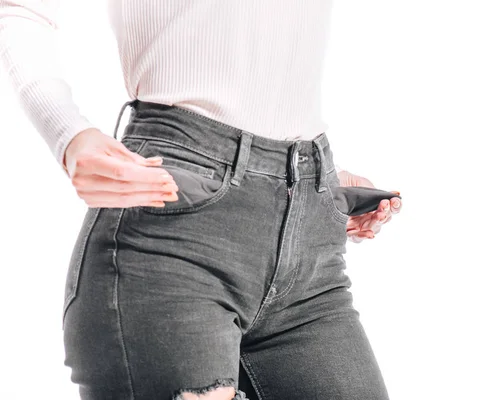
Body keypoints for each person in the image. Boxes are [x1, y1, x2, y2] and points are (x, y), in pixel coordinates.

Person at [0, 1, 402, 399]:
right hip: (172, 227)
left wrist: (292, 190)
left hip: (310, 241)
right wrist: (69, 135)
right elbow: (21, 9)